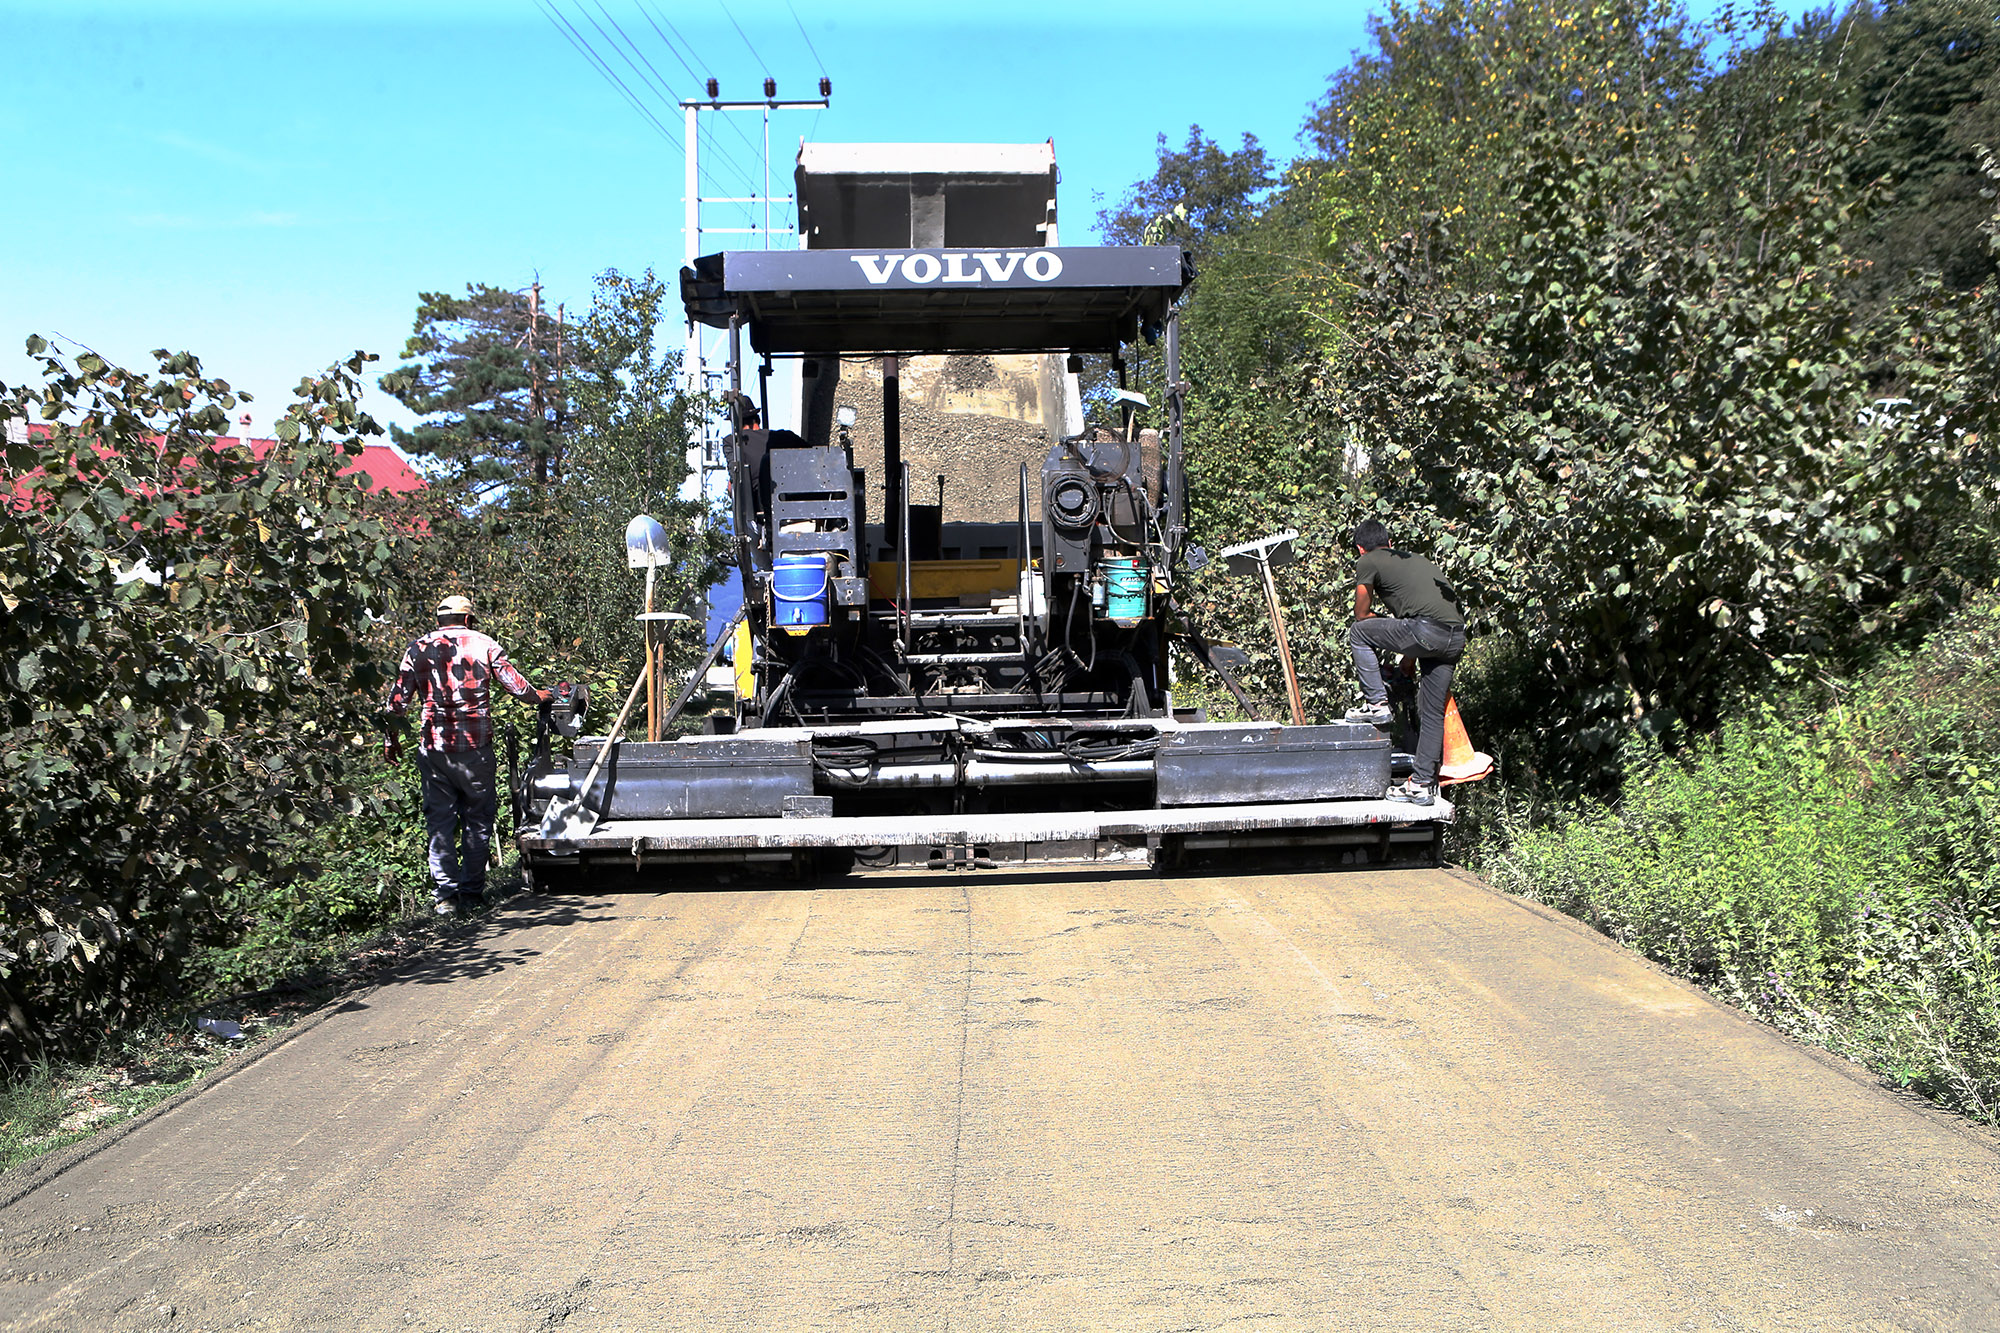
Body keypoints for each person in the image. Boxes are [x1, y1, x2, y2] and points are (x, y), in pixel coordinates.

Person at [383, 594, 549, 915]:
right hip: (475, 750)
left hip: (435, 751)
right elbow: (518, 688)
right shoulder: (484, 644)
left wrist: (391, 739)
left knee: (440, 821)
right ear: (469, 620)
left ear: (438, 621)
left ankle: (446, 897)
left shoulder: (417, 649)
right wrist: (541, 695)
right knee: (478, 819)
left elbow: (396, 703)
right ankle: (472, 892)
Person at [1342, 520, 1467, 807]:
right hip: (1454, 637)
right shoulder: (1415, 559)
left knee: (1358, 632)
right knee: (1432, 711)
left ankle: (1376, 704)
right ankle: (1422, 784)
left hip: (1425, 631)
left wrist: (1375, 621)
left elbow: (1361, 614)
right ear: (1388, 541)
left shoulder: (1368, 560)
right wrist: (1407, 662)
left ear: (1361, 548)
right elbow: (1426, 613)